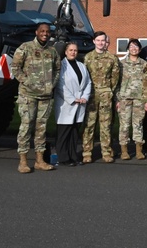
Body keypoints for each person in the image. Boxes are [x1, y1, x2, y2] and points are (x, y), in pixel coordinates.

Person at [12, 22, 61, 173]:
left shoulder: (52, 51)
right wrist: (27, 82)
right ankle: (23, 161)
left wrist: (52, 84)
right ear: (36, 32)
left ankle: (40, 160)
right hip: (28, 95)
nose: (45, 34)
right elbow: (15, 68)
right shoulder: (25, 48)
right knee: (26, 126)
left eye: (47, 32)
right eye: (42, 31)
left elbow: (58, 69)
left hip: (45, 96)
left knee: (42, 128)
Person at [81, 31, 121, 164]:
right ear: (94, 41)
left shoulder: (112, 58)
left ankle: (106, 152)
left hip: (105, 95)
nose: (100, 43)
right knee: (89, 125)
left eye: (103, 40)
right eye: (98, 40)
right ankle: (87, 152)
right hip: (91, 95)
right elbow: (84, 77)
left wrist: (109, 91)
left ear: (106, 42)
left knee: (106, 125)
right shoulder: (88, 57)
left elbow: (115, 78)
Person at [54, 42, 91, 166]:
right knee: (64, 133)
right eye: (70, 50)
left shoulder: (81, 66)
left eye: (75, 50)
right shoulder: (61, 66)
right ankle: (63, 158)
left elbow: (88, 83)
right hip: (66, 104)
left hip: (80, 104)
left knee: (74, 133)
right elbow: (60, 86)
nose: (73, 52)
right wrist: (73, 99)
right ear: (65, 52)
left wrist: (85, 97)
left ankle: (73, 156)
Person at [117, 38, 147, 160]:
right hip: (124, 98)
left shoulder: (145, 64)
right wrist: (117, 99)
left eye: (136, 47)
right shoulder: (121, 64)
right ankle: (124, 150)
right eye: (131, 47)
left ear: (139, 49)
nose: (134, 49)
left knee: (138, 124)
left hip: (139, 99)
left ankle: (138, 150)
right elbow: (116, 82)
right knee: (124, 125)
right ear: (128, 49)